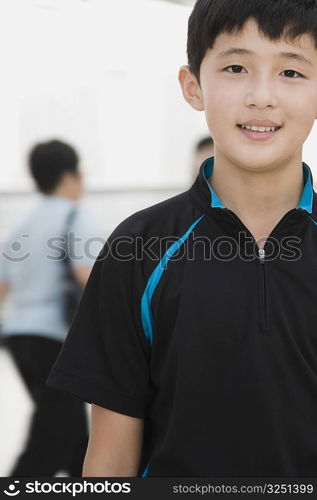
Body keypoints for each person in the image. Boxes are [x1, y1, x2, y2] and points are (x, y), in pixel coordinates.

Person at [47, 0, 317, 477]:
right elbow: (110, 462)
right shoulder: (138, 247)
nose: (262, 96)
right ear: (193, 86)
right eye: (236, 67)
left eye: (291, 72)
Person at [0, 139, 102, 476]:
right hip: (56, 339)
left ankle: (86, 480)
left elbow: (2, 288)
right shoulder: (75, 218)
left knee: (69, 430)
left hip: (19, 339)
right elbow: (90, 279)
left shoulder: (20, 227)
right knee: (54, 431)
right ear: (71, 175)